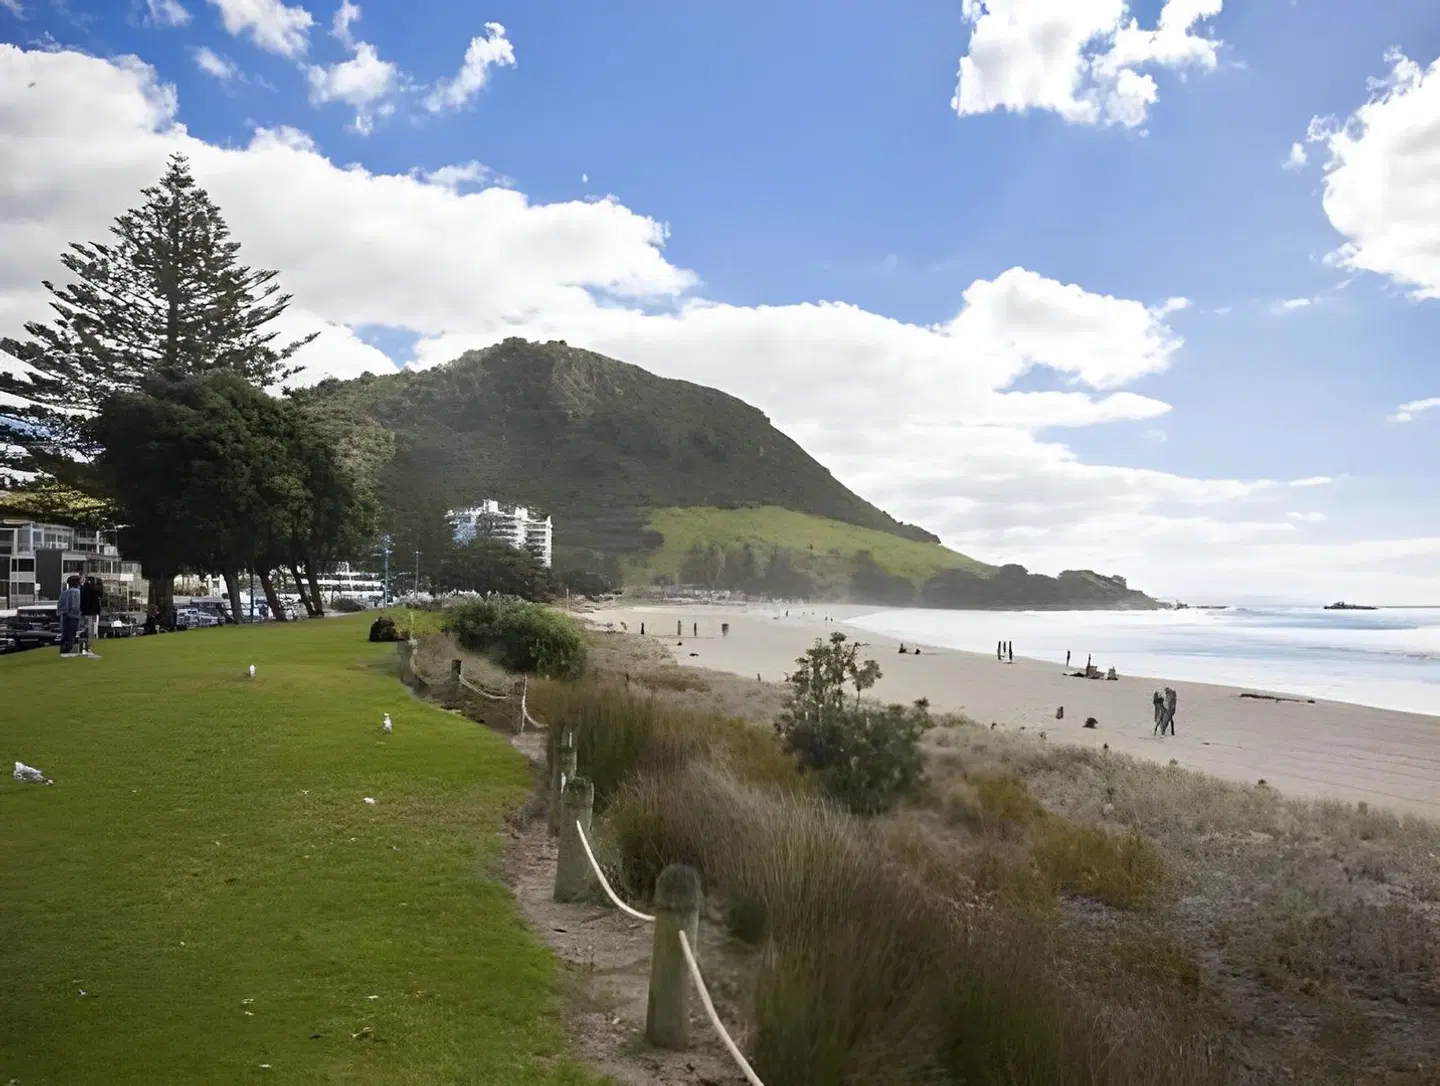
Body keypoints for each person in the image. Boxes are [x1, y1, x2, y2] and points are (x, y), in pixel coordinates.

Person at [56, 574, 82, 657]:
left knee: (65, 635)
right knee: (73, 635)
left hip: (64, 616)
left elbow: (59, 606)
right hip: (74, 616)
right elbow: (78, 606)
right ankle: (70, 651)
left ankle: (64, 651)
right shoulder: (78, 592)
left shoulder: (64, 593)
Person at [80, 574, 105, 657]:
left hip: (84, 612)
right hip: (92, 612)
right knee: (90, 631)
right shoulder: (94, 589)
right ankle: (88, 648)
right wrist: (100, 583)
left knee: (85, 630)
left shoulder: (83, 588)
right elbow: (101, 592)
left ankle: (83, 648)